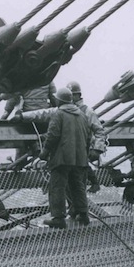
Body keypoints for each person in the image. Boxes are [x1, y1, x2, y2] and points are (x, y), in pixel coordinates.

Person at [39, 87, 91, 228]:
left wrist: (44, 152)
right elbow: (88, 136)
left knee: (57, 187)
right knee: (78, 186)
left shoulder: (59, 114)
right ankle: (83, 214)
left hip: (62, 158)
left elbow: (53, 135)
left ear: (59, 100)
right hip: (79, 158)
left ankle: (58, 218)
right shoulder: (82, 115)